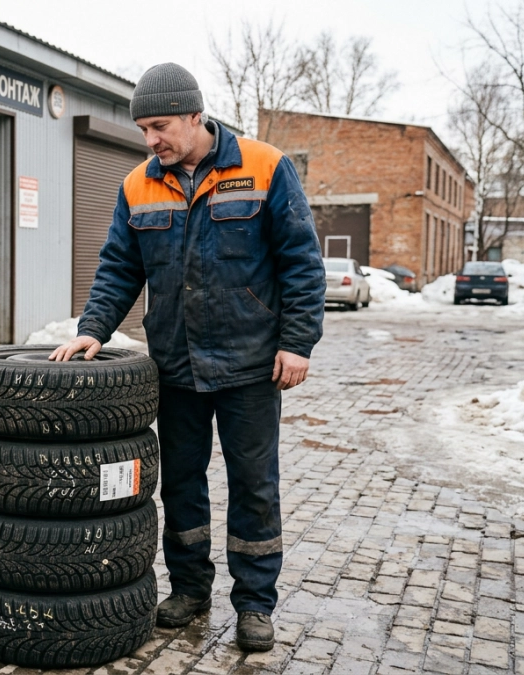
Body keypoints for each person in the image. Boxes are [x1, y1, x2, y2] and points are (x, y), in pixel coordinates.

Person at [49, 63, 325, 652]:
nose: (151, 140)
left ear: (196, 117)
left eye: (160, 126)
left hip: (251, 365)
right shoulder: (137, 185)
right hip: (174, 365)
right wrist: (94, 329)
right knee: (181, 484)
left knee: (254, 486)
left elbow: (302, 262)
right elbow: (121, 267)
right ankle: (190, 589)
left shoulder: (265, 166)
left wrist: (297, 342)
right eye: (144, 128)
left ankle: (254, 603)